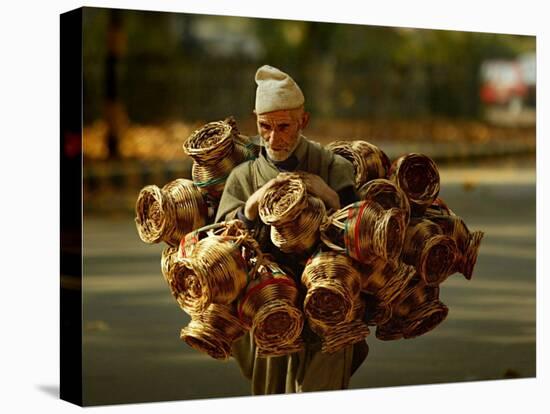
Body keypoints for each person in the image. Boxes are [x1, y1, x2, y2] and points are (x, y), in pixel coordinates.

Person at [215, 65, 368, 394]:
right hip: (267, 305)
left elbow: (361, 233)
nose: (273, 138)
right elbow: (219, 246)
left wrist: (326, 194)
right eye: (264, 127)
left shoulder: (331, 166)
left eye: (284, 126)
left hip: (330, 305)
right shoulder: (242, 178)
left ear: (304, 121)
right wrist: (251, 207)